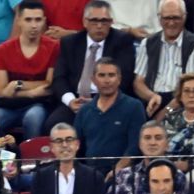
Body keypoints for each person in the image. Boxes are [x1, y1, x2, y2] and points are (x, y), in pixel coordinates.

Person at [47, 0, 135, 131]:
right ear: (85, 22)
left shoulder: (122, 41)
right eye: (94, 21)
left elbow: (124, 78)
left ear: (111, 22)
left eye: (104, 21)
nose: (99, 26)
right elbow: (59, 78)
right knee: (52, 124)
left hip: (108, 99)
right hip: (76, 99)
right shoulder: (70, 42)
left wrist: (98, 101)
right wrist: (70, 101)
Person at [98, 120, 187, 194]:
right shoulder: (124, 175)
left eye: (158, 138)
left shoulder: (178, 176)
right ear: (140, 144)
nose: (152, 142)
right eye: (147, 138)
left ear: (167, 144)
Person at [0, 0, 59, 140]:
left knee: (33, 117)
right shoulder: (3, 50)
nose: (34, 25)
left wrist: (17, 84)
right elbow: (2, 92)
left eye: (38, 20)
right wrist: (32, 92)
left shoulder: (54, 47)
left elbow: (49, 84)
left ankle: (31, 160)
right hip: (9, 106)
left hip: (39, 105)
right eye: (28, 20)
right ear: (19, 21)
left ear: (44, 21)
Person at [73, 57, 144, 175]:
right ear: (93, 80)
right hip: (90, 175)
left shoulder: (134, 107)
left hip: (124, 175)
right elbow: (76, 147)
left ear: (119, 79)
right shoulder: (84, 111)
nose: (107, 80)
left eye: (111, 75)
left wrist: (117, 171)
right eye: (102, 75)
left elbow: (135, 147)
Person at [134, 0, 194, 118]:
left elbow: (189, 85)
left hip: (180, 102)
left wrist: (164, 112)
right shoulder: (147, 43)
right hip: (153, 99)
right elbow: (138, 83)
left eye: (176, 18)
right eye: (167, 18)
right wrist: (152, 96)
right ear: (159, 19)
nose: (171, 23)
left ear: (184, 17)